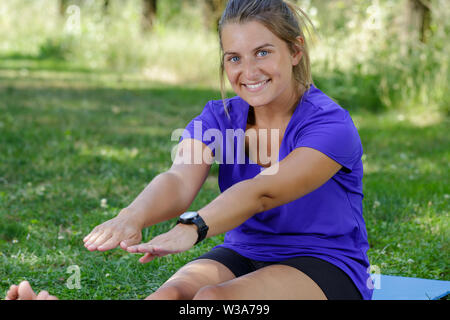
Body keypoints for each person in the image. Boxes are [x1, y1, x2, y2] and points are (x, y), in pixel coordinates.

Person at [5, 0, 373, 300]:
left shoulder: (329, 124)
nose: (248, 70)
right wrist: (132, 216)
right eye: (234, 57)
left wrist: (194, 227)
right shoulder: (220, 116)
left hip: (325, 264)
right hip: (245, 252)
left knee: (213, 302)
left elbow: (263, 191)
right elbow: (180, 178)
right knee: (171, 296)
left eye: (263, 52)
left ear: (295, 51)